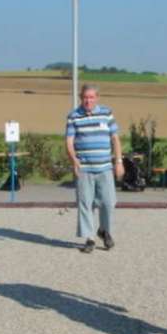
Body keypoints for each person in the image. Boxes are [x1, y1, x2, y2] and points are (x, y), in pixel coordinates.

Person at [65, 84, 124, 253]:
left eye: (91, 97)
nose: (88, 101)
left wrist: (118, 162)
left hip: (105, 167)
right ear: (80, 97)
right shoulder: (73, 116)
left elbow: (115, 139)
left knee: (109, 202)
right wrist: (74, 160)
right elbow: (69, 142)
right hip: (84, 168)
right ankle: (89, 238)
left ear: (97, 98)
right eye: (85, 97)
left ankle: (104, 230)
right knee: (85, 203)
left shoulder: (106, 113)